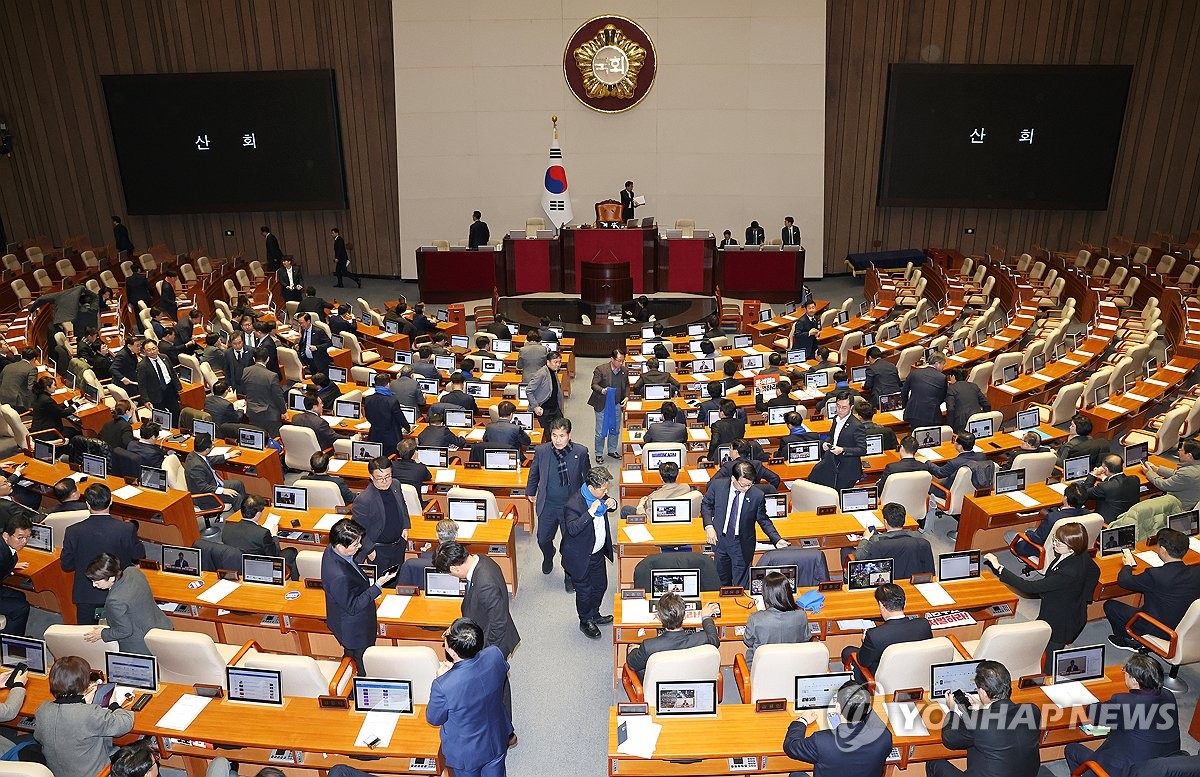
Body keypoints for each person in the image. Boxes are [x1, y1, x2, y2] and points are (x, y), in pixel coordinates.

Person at [985, 521, 1100, 671]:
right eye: (1055, 539)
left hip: (1060, 621)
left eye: (1059, 542)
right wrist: (1082, 598)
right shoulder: (1080, 555)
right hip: (1064, 609)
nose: (1054, 544)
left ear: (1072, 547)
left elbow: (1029, 587)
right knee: (1038, 639)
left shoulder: (1068, 572)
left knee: (1050, 662)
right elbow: (1094, 571)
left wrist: (1000, 568)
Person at [433, 542, 519, 744]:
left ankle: (507, 733)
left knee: (496, 689)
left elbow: (498, 623)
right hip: (482, 632)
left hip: (493, 644)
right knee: (497, 686)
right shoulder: (481, 560)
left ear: (454, 568)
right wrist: (457, 631)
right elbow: (475, 612)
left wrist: (482, 655)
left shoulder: (484, 583)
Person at [1064, 653, 1180, 777]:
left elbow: (1092, 712)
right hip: (1161, 767)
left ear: (1134, 680)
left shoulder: (1124, 703)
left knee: (1072, 749)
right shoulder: (1169, 696)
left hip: (1123, 770)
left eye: (1125, 672)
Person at [427, 618, 511, 777]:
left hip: (466, 754)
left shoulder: (443, 685)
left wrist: (443, 676)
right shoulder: (495, 654)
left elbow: (434, 718)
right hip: (496, 737)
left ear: (451, 651)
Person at [926, 660, 1041, 777]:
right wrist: (985, 708)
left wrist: (953, 711)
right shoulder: (1032, 711)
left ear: (982, 692)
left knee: (933, 763)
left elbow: (949, 739)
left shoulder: (979, 720)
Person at [34, 655, 136, 777]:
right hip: (98, 773)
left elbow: (42, 736)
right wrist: (114, 704)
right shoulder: (90, 713)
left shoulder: (42, 709)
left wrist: (82, 701)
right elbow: (125, 723)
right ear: (84, 682)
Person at [59, 484, 145, 624]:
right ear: (110, 501)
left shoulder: (72, 531)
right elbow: (139, 555)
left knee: (87, 637)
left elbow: (66, 565)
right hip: (120, 590)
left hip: (86, 594)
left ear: (87, 504)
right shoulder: (126, 529)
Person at [1104, 527, 1200, 650]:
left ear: (1163, 550)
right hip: (1184, 626)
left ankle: (1129, 640)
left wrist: (1127, 565)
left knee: (1110, 606)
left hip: (1157, 627)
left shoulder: (1155, 575)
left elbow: (1124, 581)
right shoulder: (1196, 572)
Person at [322, 519, 398, 671]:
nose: (361, 546)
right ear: (340, 546)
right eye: (356, 545)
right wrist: (378, 585)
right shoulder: (339, 576)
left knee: (351, 656)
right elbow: (353, 607)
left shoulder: (331, 550)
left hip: (347, 620)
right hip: (354, 629)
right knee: (363, 665)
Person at [702, 461, 788, 587]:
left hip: (741, 545)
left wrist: (776, 539)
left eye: (749, 485)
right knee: (722, 581)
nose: (746, 489)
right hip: (720, 541)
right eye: (743, 485)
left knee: (740, 585)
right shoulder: (717, 486)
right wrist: (709, 526)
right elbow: (706, 504)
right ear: (733, 479)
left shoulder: (757, 495)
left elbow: (763, 519)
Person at [527, 417, 590, 587]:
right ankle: (549, 555)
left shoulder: (581, 452)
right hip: (548, 504)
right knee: (542, 539)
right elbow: (534, 473)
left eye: (562, 436)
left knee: (570, 545)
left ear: (569, 435)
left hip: (570, 507)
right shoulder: (542, 451)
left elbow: (588, 478)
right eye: (554, 436)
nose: (558, 440)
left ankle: (569, 574)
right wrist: (531, 491)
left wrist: (593, 499)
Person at [782, 680, 893, 777]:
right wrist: (860, 703)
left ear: (838, 708)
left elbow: (791, 745)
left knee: (795, 774)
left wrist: (803, 720)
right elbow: (874, 719)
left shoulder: (822, 741)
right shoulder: (884, 737)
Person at [562, 466, 620, 638]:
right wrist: (590, 513)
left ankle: (594, 614)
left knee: (601, 585)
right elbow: (572, 529)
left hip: (597, 553)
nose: (606, 491)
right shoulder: (573, 504)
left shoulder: (599, 496)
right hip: (580, 556)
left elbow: (610, 504)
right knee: (585, 591)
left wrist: (613, 504)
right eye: (603, 488)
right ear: (592, 487)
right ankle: (585, 621)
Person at [83, 552, 173, 654]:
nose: (94, 585)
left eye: (96, 581)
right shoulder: (133, 571)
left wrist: (102, 633)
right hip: (160, 626)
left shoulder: (114, 600)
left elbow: (124, 631)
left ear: (111, 578)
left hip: (141, 646)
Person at [841, 583, 933, 682]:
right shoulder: (923, 624)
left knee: (848, 652)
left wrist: (865, 643)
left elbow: (863, 662)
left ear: (881, 605)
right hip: (917, 674)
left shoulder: (874, 635)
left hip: (885, 680)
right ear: (905, 603)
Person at [626, 592, 720, 677]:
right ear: (685, 616)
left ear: (658, 618)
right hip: (691, 680)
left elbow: (632, 665)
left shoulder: (649, 646)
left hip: (660, 687)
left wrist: (634, 650)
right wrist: (706, 617)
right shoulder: (703, 639)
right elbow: (714, 640)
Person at [352, 457, 411, 571]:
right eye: (379, 478)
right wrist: (370, 550)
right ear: (371, 477)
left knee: (397, 577)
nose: (385, 481)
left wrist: (405, 526)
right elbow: (357, 528)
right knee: (382, 584)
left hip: (398, 544)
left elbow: (402, 506)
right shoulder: (364, 499)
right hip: (378, 549)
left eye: (388, 476)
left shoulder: (395, 485)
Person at [851, 502, 934, 578]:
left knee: (845, 551)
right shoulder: (922, 542)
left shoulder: (877, 542)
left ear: (885, 521)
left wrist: (866, 538)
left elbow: (859, 557)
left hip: (884, 582)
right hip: (910, 581)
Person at [1011, 481, 1090, 560]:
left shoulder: (1053, 518)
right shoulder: (1088, 514)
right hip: (1072, 548)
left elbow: (1037, 539)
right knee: (1033, 530)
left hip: (1046, 550)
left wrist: (1027, 533)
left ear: (1065, 498)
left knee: (1011, 534)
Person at [744, 571, 808, 665]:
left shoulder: (755, 618)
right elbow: (805, 638)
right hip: (793, 665)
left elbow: (748, 640)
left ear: (765, 595)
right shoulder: (802, 615)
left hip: (761, 668)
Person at [810, 391, 866, 491]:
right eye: (838, 406)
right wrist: (826, 443)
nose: (839, 410)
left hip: (847, 468)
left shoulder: (857, 426)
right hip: (832, 461)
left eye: (844, 407)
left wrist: (842, 450)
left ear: (851, 407)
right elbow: (831, 436)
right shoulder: (836, 418)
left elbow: (862, 449)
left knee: (836, 494)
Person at [185, 432, 246, 514]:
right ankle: (241, 520)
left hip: (212, 484)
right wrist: (222, 490)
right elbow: (202, 487)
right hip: (205, 496)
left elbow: (208, 460)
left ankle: (246, 509)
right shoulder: (196, 466)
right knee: (236, 497)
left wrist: (227, 455)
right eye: (211, 446)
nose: (213, 445)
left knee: (238, 484)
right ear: (207, 450)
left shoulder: (194, 454)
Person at [588, 348, 628, 463]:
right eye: (619, 360)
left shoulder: (624, 370)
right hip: (602, 403)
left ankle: (612, 450)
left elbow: (626, 385)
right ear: (612, 359)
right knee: (601, 431)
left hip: (616, 404)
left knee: (615, 429)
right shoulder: (601, 369)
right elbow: (594, 385)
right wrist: (602, 390)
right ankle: (599, 453)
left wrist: (626, 396)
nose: (621, 363)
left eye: (622, 361)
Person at [1142, 439, 1200, 510]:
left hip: (1180, 507)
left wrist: (1149, 473)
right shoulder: (1193, 468)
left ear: (1189, 455)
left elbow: (1164, 485)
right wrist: (1157, 469)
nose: (1179, 451)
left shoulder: (1186, 473)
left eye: (1181, 450)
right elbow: (1177, 474)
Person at [0, 513, 33, 636]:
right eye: (20, 538)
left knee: (20, 596)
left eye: (28, 537)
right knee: (21, 608)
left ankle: (11, 634)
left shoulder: (5, 545)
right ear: (6, 536)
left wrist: (11, 565)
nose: (24, 542)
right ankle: (12, 648)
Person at [136, 339, 181, 427]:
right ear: (144, 352)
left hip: (170, 390)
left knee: (175, 412)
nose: (152, 352)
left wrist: (178, 387)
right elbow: (142, 385)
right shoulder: (142, 365)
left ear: (157, 348)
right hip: (156, 394)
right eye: (149, 350)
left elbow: (172, 373)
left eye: (154, 348)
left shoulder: (164, 357)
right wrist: (145, 400)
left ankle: (176, 429)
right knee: (162, 417)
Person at [1084, 453, 1141, 521]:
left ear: (1106, 469)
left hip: (1108, 524)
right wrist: (1104, 478)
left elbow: (1086, 492)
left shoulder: (1104, 487)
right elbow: (1118, 482)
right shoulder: (1135, 479)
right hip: (1129, 519)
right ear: (1122, 465)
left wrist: (1093, 474)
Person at [624, 460, 690, 518]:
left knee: (625, 509)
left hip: (659, 524)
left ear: (661, 478)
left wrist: (640, 505)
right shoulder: (686, 487)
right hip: (678, 518)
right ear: (677, 476)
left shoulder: (653, 497)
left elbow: (646, 518)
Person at [902, 350, 947, 429]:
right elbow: (942, 397)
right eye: (943, 364)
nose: (944, 366)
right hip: (931, 415)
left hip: (913, 412)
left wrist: (906, 406)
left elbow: (904, 392)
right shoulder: (942, 378)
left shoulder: (914, 373)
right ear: (937, 364)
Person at [716, 439, 782, 490]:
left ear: (735, 452)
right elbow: (775, 479)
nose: (730, 452)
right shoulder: (757, 464)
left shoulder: (728, 466)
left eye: (730, 450)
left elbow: (711, 484)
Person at [944, 367, 991, 434]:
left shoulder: (951, 389)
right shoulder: (974, 386)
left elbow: (951, 409)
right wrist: (984, 417)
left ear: (953, 376)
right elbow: (986, 404)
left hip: (961, 424)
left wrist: (950, 427)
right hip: (978, 420)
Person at [527, 350, 564, 428]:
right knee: (549, 435)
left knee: (561, 429)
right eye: (555, 362)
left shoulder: (554, 371)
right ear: (548, 362)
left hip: (555, 408)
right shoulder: (541, 374)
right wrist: (535, 406)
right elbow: (529, 390)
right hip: (545, 410)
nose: (558, 365)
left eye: (559, 362)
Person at [0, 346, 37, 411]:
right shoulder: (32, 369)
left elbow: (1, 381)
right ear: (34, 359)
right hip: (18, 404)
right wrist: (31, 405)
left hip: (2, 400)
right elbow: (31, 388)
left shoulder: (8, 366)